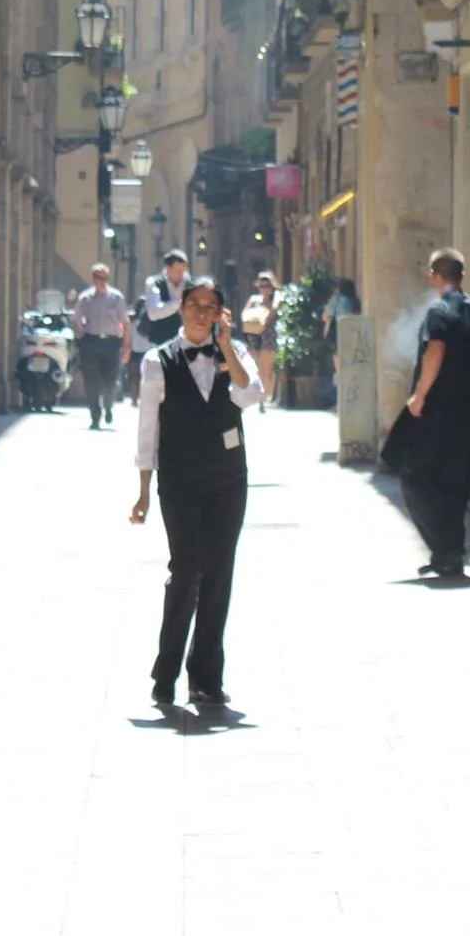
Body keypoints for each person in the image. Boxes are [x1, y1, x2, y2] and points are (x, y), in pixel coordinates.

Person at [129, 278, 264, 709]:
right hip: (179, 477)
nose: (201, 313)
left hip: (228, 478)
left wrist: (226, 348)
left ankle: (206, 676)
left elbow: (251, 394)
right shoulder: (158, 360)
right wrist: (143, 491)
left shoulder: (234, 352)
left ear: (221, 313)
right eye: (194, 305)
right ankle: (166, 670)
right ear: (182, 308)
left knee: (219, 574)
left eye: (210, 307)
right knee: (187, 570)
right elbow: (148, 429)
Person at [400, 249, 470, 579]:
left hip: (434, 411)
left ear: (434, 276)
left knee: (413, 476)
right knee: (454, 482)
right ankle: (449, 555)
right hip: (462, 411)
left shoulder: (438, 310)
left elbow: (435, 351)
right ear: (463, 275)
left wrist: (420, 395)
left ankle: (445, 549)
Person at [71, 263, 132, 429]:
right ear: (93, 279)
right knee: (91, 382)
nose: (102, 282)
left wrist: (126, 347)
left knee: (110, 381)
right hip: (91, 342)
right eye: (98, 278)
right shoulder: (85, 298)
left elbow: (126, 323)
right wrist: (81, 335)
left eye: (105, 278)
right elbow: (76, 319)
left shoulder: (116, 298)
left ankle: (108, 406)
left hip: (111, 343)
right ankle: (95, 416)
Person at [240, 273, 281, 413]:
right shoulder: (253, 300)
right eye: (262, 286)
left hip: (268, 337)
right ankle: (260, 396)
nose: (264, 289)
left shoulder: (276, 301)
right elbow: (244, 315)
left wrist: (271, 305)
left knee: (266, 369)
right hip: (253, 336)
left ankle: (263, 399)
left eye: (267, 286)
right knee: (256, 368)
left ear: (272, 287)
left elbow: (273, 314)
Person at [141, 249, 191, 346]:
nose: (182, 274)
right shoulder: (154, 282)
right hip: (160, 340)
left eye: (184, 270)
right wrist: (179, 304)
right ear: (168, 268)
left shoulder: (190, 284)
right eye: (178, 271)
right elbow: (153, 313)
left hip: (184, 340)